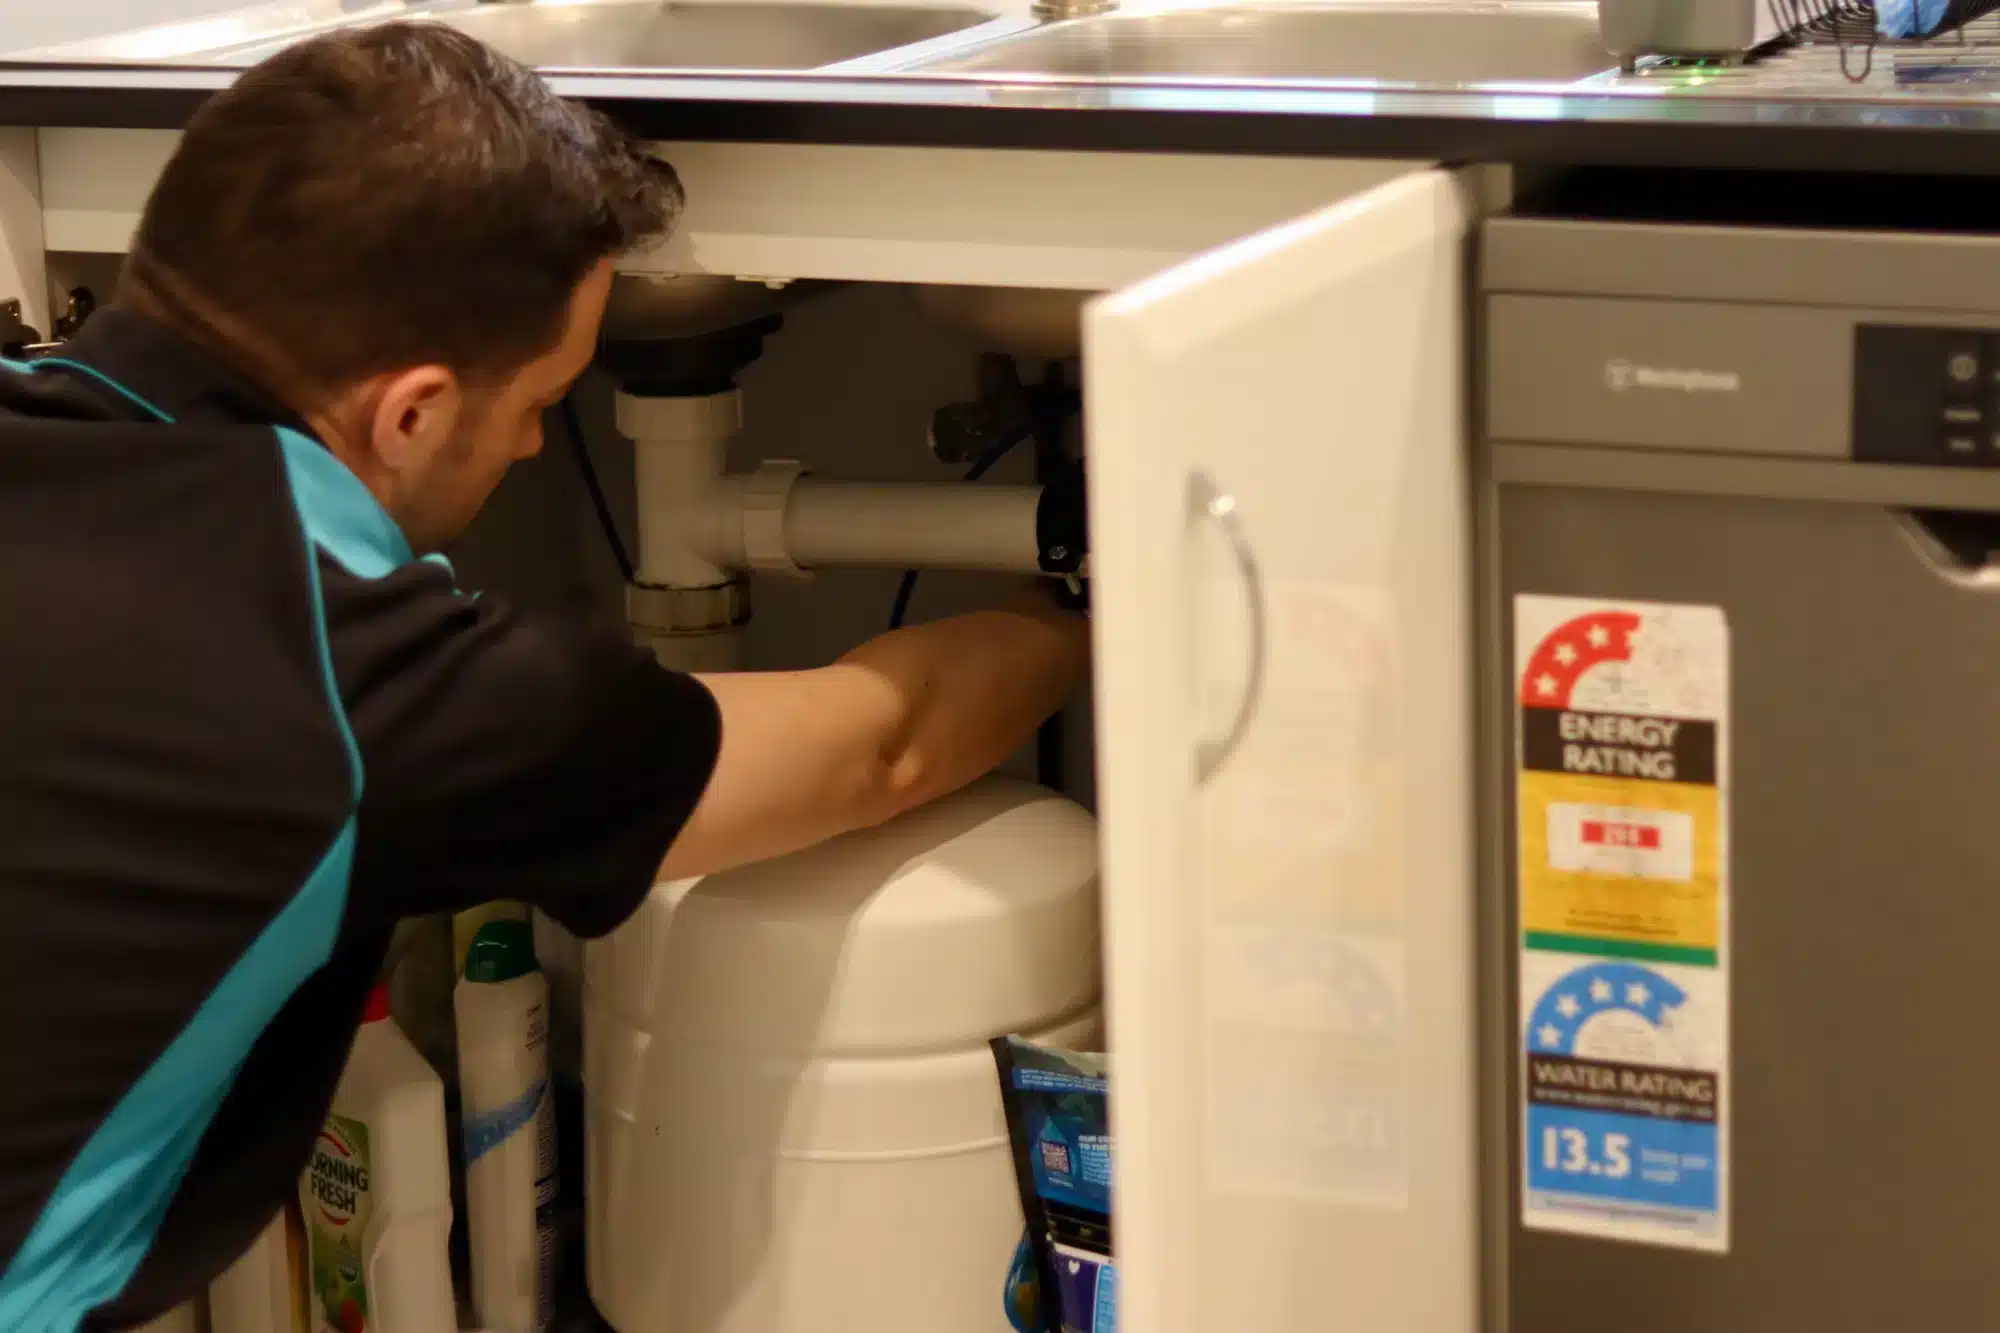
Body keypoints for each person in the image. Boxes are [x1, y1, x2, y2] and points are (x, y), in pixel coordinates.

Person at [0, 22, 1089, 1332]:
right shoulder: (372, 686)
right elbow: (880, 745)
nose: (530, 449)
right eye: (536, 402)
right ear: (409, 410)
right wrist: (1083, 601)